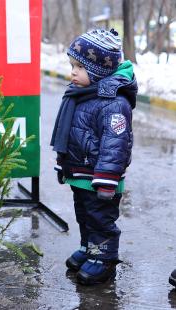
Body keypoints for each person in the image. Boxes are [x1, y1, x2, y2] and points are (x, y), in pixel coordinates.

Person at [50, 29, 138, 285]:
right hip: (81, 174)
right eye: (72, 65)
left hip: (101, 178)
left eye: (79, 67)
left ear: (99, 70)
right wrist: (63, 164)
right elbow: (70, 134)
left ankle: (104, 260)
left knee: (101, 219)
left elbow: (116, 144)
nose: (73, 72)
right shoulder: (81, 94)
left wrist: (108, 179)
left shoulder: (113, 103)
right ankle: (90, 248)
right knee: (84, 216)